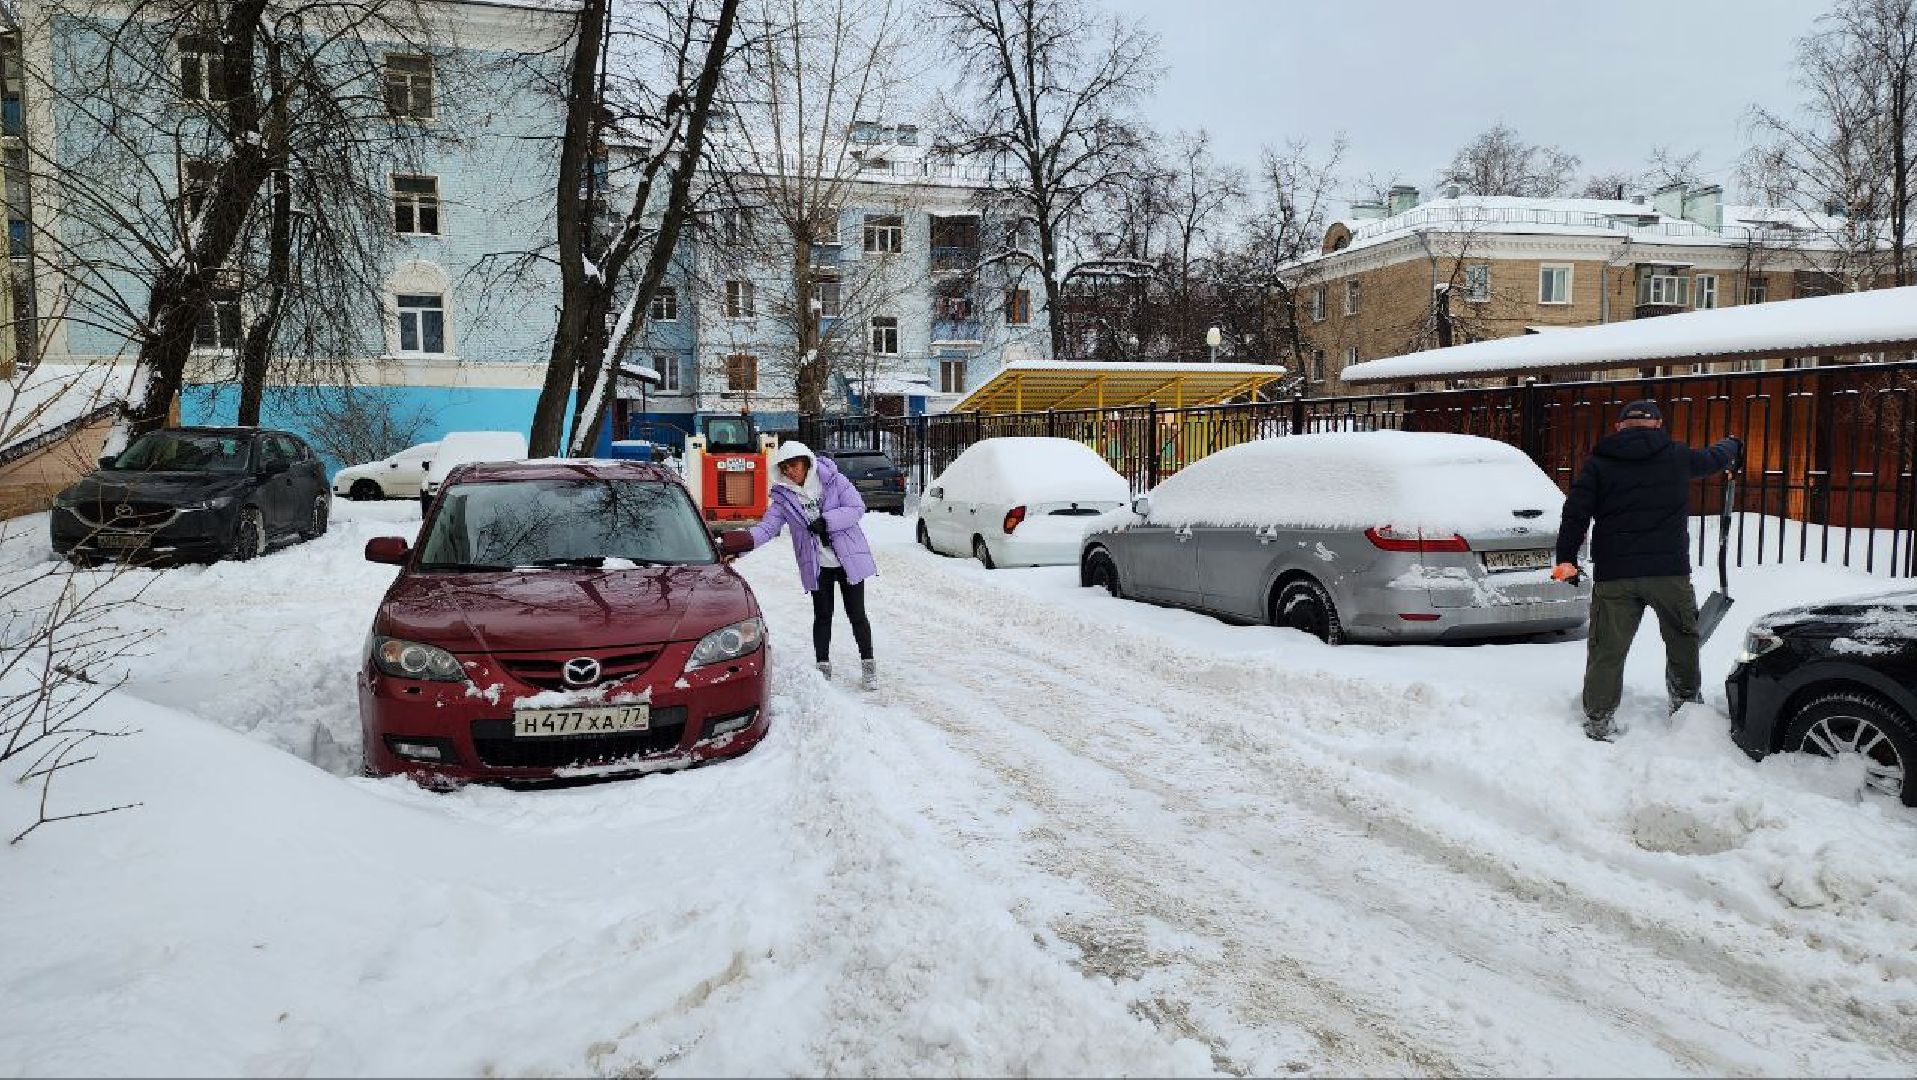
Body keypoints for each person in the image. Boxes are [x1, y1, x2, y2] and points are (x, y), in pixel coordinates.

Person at [1553, 399, 1741, 742]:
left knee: (1607, 648)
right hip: (1667, 572)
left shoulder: (1598, 464)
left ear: (1619, 426)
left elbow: (1575, 513)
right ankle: (1685, 707)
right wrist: (1732, 445)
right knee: (1682, 639)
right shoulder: (1678, 456)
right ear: (1657, 425)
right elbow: (1714, 458)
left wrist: (1566, 560)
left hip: (1615, 574)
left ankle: (1599, 719)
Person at [718, 441, 880, 689]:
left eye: (793, 466)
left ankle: (868, 667)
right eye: (785, 469)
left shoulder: (833, 480)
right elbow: (767, 529)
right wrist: (741, 543)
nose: (790, 473)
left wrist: (827, 521)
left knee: (857, 615)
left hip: (848, 560)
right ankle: (823, 667)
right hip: (817, 565)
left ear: (806, 462)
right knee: (822, 616)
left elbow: (856, 508)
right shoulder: (784, 498)